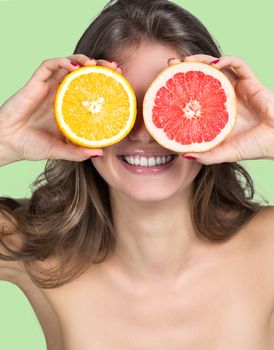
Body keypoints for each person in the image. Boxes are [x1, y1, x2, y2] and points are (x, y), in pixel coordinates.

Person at [0, 0, 274, 348]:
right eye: (123, 105)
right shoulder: (33, 248)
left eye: (168, 106)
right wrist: (4, 140)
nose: (144, 133)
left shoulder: (269, 247)